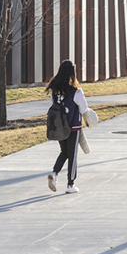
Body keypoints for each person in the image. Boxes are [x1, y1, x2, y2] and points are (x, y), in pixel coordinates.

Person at [46, 59, 90, 194]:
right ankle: (70, 185)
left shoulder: (55, 90)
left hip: (59, 126)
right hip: (73, 127)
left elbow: (53, 104)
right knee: (73, 155)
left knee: (64, 152)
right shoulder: (76, 90)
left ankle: (54, 173)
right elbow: (84, 108)